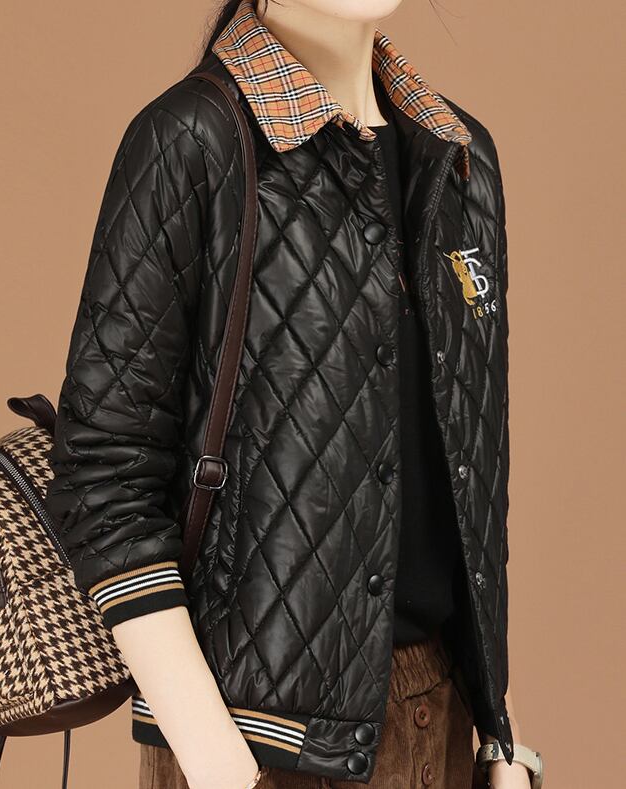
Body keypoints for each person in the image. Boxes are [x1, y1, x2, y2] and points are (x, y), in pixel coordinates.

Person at [46, 1, 541, 787]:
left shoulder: (461, 156)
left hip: (443, 723)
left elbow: (469, 476)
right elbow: (103, 478)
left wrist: (500, 732)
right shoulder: (191, 140)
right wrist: (215, 761)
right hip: (255, 746)